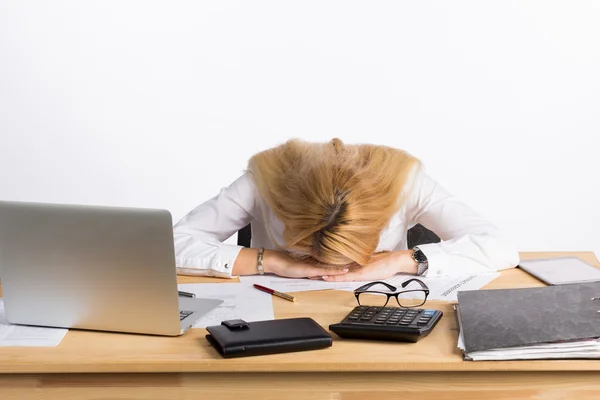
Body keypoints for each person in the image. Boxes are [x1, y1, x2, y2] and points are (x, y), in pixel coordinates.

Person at [173, 138, 519, 281]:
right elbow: (169, 244)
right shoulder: (265, 180)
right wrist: (273, 261)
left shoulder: (405, 183)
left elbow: (499, 246)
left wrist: (401, 259)